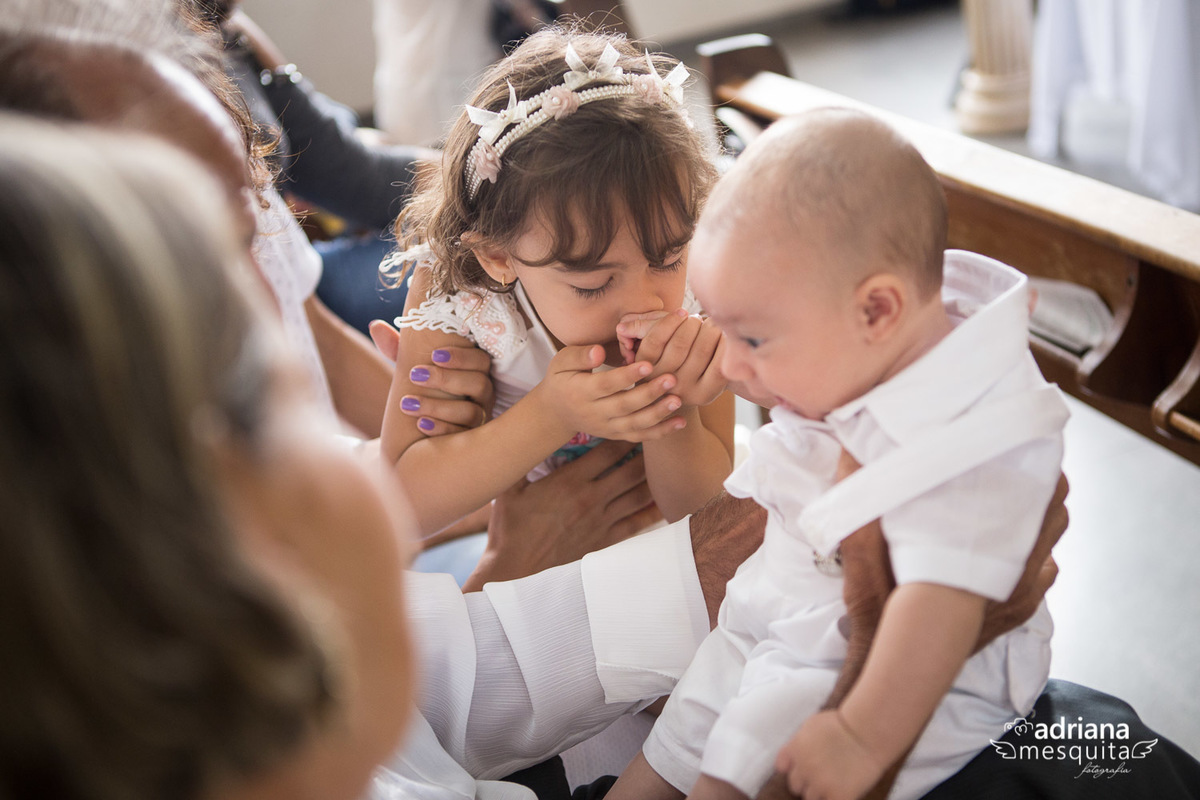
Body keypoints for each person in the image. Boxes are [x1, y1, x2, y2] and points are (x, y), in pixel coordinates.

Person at [0, 113, 767, 800]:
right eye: (279, 413)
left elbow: (452, 689)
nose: (361, 453)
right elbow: (410, 504)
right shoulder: (460, 312)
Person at [606, 109, 1069, 800]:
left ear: (877, 311)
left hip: (886, 676)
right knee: (670, 749)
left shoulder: (974, 433)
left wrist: (859, 736)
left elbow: (937, 609)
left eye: (754, 340)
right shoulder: (868, 345)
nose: (730, 367)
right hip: (777, 616)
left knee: (732, 775)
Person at [381, 27, 736, 539]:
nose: (647, 301)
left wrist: (669, 407)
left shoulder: (701, 279)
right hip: (536, 554)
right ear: (499, 256)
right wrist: (552, 412)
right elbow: (403, 507)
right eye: (592, 284)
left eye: (667, 258)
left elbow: (706, 517)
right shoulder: (460, 295)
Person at [187, 0, 436, 336]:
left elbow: (346, 169)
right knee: (470, 268)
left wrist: (482, 169)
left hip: (299, 274)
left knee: (486, 231)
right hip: (265, 313)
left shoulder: (220, 20)